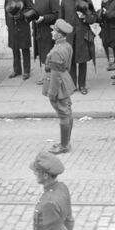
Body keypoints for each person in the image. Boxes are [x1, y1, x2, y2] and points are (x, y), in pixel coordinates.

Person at [44, 19, 76, 154]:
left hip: (58, 85)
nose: (52, 32)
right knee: (67, 113)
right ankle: (65, 142)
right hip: (65, 81)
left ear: (59, 34)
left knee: (64, 114)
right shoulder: (66, 46)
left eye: (54, 31)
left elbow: (56, 74)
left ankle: (64, 146)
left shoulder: (57, 51)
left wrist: (52, 93)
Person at [59, 0, 97, 95]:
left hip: (82, 35)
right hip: (69, 36)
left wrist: (85, 17)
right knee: (70, 61)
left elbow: (94, 18)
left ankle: (82, 85)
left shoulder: (86, 0)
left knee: (82, 61)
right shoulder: (65, 1)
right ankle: (72, 85)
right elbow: (60, 18)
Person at [29, 150, 74, 230]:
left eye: (37, 171)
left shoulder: (48, 203)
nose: (34, 173)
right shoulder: (62, 187)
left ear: (45, 175)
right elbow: (69, 220)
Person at [5, 0, 34, 79]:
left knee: (25, 48)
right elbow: (6, 9)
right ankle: (16, 70)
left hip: (23, 25)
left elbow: (31, 9)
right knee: (14, 48)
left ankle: (26, 71)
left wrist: (22, 16)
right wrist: (8, 24)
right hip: (12, 25)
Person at [32, 0, 60, 84]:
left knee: (49, 55)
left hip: (49, 31)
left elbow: (57, 15)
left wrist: (44, 18)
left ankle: (51, 78)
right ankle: (45, 76)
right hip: (39, 30)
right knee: (42, 54)